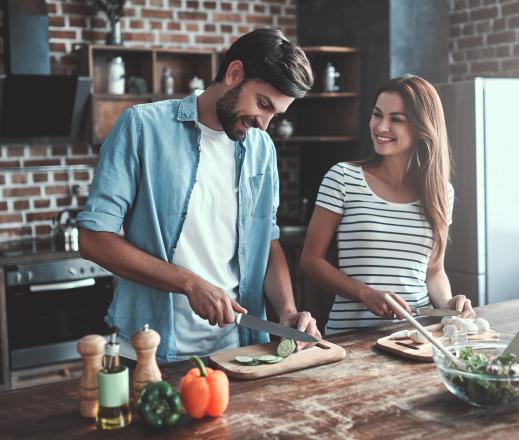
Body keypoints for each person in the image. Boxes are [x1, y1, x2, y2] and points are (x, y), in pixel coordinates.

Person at [78, 29, 321, 363]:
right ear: (234, 74)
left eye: (275, 114)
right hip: (151, 351)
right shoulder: (142, 128)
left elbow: (269, 241)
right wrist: (190, 283)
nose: (264, 124)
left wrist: (288, 311)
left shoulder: (261, 148)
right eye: (263, 104)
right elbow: (93, 239)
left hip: (239, 351)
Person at [300, 75, 475, 334]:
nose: (381, 127)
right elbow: (310, 261)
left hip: (417, 335)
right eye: (377, 115)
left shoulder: (441, 193)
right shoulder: (343, 178)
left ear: (421, 127)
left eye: (396, 119)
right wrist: (365, 293)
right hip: (351, 337)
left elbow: (433, 271)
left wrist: (448, 304)